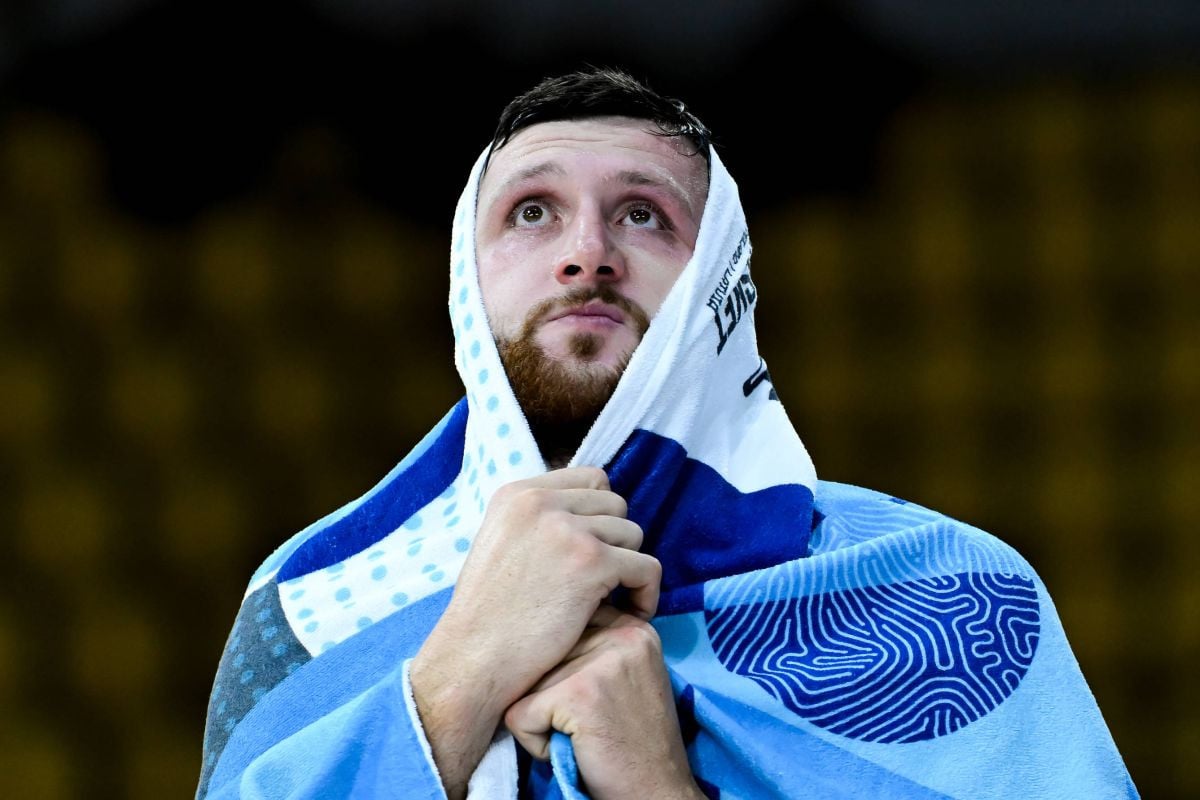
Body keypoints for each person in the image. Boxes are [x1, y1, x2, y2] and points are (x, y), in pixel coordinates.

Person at [197, 68, 1137, 799]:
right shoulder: (309, 603)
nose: (587, 254)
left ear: (719, 282)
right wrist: (458, 677)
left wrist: (657, 785)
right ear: (464, 281)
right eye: (532, 212)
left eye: (642, 215)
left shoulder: (946, 596)